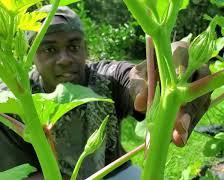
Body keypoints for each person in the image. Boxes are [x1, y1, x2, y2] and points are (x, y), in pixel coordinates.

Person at [0, 5, 210, 179]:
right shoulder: (10, 102)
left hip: (116, 173)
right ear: (30, 55)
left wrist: (166, 72)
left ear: (86, 48)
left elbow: (133, 78)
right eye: (49, 49)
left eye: (73, 46)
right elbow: (18, 174)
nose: (64, 59)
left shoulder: (105, 77)